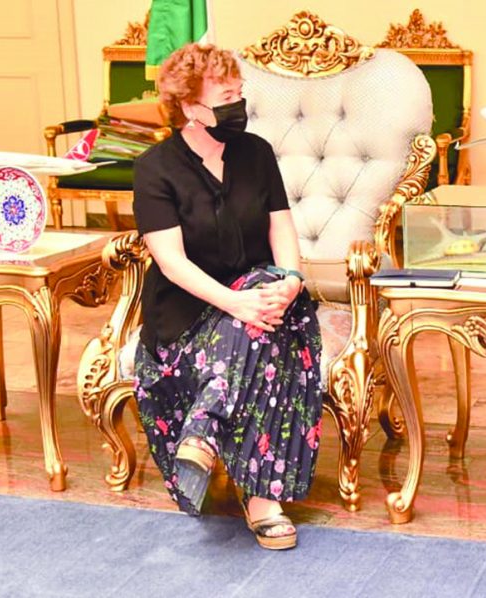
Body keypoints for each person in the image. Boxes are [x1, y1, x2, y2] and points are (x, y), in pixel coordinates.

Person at [131, 43, 324, 551]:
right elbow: (171, 262)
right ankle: (263, 502)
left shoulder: (255, 153)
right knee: (257, 332)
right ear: (188, 106)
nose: (238, 105)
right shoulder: (154, 168)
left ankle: (203, 434)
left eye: (240, 93)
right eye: (225, 97)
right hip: (188, 315)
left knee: (262, 309)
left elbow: (281, 228)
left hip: (263, 299)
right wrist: (234, 303)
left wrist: (290, 279)